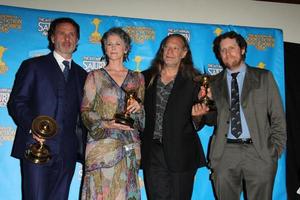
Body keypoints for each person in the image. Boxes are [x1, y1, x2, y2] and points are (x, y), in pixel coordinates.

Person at [7, 17, 87, 200]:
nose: (67, 39)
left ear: (77, 41)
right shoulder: (33, 66)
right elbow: (17, 102)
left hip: (67, 151)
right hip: (34, 146)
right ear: (52, 38)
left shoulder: (83, 75)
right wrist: (32, 126)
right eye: (62, 33)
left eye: (72, 35)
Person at [208, 31, 286, 200]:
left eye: (232, 48)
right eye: (223, 50)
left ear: (242, 49)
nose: (227, 53)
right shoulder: (213, 83)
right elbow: (209, 119)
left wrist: (274, 151)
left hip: (259, 152)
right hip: (225, 152)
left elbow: (278, 116)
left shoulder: (264, 77)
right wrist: (199, 113)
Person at [141, 33, 211, 200]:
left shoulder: (195, 80)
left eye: (175, 48)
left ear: (184, 53)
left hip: (182, 153)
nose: (170, 52)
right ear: (162, 50)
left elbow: (202, 119)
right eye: (167, 47)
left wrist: (198, 116)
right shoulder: (145, 77)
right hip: (153, 152)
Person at [80, 27, 145, 200]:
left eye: (118, 44)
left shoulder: (138, 78)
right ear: (104, 48)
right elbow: (85, 111)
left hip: (129, 145)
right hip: (102, 145)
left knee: (125, 192)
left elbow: (142, 118)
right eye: (109, 44)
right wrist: (106, 123)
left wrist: (139, 109)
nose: (113, 47)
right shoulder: (95, 76)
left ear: (126, 48)